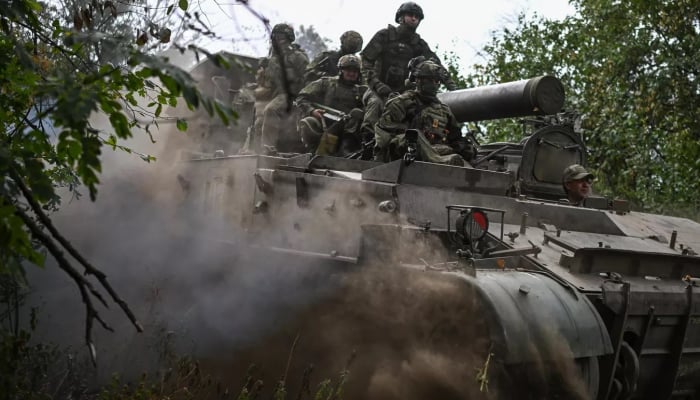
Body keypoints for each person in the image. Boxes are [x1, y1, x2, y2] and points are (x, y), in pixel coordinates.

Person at [360, 2, 456, 152]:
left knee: (424, 111)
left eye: (417, 17)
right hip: (377, 89)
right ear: (400, 17)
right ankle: (367, 145)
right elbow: (366, 62)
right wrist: (377, 85)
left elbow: (436, 67)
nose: (414, 19)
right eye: (410, 15)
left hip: (403, 93)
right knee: (376, 104)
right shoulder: (384, 36)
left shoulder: (418, 44)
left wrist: (452, 88)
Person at [374, 60, 474, 166]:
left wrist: (466, 148)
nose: (435, 84)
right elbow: (384, 135)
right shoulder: (402, 102)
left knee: (468, 167)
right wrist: (379, 164)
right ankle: (439, 163)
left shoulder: (444, 110)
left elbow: (455, 137)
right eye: (431, 80)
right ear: (418, 80)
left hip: (436, 151)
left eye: (437, 81)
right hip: (405, 153)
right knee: (414, 136)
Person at [295, 54, 367, 156]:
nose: (351, 73)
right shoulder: (326, 83)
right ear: (341, 70)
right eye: (348, 70)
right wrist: (312, 111)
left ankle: (346, 153)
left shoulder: (361, 91)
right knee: (308, 122)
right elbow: (301, 97)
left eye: (355, 71)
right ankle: (315, 153)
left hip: (349, 130)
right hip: (324, 121)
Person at [258, 23, 309, 153]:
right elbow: (266, 83)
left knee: (271, 110)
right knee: (256, 115)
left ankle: (267, 148)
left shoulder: (297, 56)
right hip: (275, 94)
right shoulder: (272, 58)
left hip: (291, 95)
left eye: (281, 36)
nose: (278, 40)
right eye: (276, 37)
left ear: (289, 38)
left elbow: (307, 79)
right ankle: (251, 149)